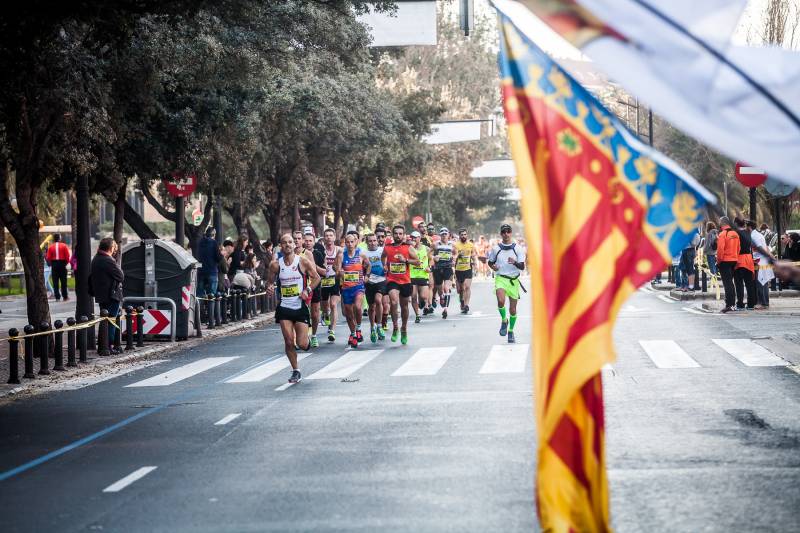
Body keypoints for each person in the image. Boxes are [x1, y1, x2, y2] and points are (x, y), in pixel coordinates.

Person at [266, 234, 320, 384]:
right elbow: (269, 282)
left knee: (302, 344)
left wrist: (308, 290)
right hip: (284, 307)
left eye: (291, 242)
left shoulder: (302, 261)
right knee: (289, 342)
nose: (288, 244)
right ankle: (296, 370)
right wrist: (269, 288)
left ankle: (307, 341)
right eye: (285, 243)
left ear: (294, 244)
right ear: (280, 246)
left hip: (300, 306)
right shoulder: (276, 265)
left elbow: (316, 278)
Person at [381, 224, 420, 344]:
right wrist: (385, 266)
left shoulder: (408, 247)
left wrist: (406, 260)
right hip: (392, 280)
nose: (398, 236)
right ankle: (395, 327)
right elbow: (383, 257)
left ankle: (404, 329)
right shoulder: (387, 247)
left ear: (403, 235)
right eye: (396, 233)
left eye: (400, 234)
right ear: (392, 235)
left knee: (404, 306)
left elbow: (418, 262)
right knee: (393, 302)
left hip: (405, 281)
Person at [488, 224, 526, 343]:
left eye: (508, 231)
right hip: (501, 278)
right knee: (500, 301)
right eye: (504, 232)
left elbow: (522, 266)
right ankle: (504, 320)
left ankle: (510, 331)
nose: (506, 234)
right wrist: (493, 267)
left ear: (511, 233)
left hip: (513, 280)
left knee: (513, 309)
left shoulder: (518, 248)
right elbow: (490, 262)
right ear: (501, 234)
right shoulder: (496, 248)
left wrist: (514, 262)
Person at [89, 238, 124, 354]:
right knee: (111, 321)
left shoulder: (96, 258)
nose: (114, 250)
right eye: (114, 248)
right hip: (111, 295)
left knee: (104, 321)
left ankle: (103, 346)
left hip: (101, 295)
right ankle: (109, 346)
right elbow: (120, 276)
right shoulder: (108, 260)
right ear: (111, 248)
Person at [336, 231, 370, 348]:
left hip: (358, 286)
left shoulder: (361, 255)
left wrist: (367, 276)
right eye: (347, 242)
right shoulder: (341, 255)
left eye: (352, 242)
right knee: (348, 314)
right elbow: (337, 270)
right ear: (345, 243)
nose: (350, 244)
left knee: (358, 306)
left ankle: (359, 328)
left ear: (356, 242)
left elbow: (368, 265)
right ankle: (353, 334)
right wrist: (340, 273)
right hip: (346, 288)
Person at [304, 232, 327, 348]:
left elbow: (324, 271)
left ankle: (314, 335)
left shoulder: (318, 254)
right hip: (303, 287)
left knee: (315, 313)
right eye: (306, 241)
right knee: (304, 312)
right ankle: (305, 335)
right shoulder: (299, 254)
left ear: (314, 242)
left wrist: (312, 266)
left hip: (315, 285)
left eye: (310, 241)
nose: (308, 243)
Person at [363, 232, 387, 342]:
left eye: (374, 240)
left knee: (378, 300)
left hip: (381, 279)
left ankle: (379, 326)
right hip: (369, 281)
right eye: (370, 241)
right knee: (371, 306)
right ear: (367, 242)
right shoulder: (364, 253)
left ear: (377, 241)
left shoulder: (382, 250)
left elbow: (388, 262)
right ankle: (372, 327)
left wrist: (387, 268)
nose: (372, 243)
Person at [320, 228, 342, 343]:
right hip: (323, 281)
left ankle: (332, 330)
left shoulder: (339, 250)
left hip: (335, 280)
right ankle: (325, 313)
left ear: (334, 237)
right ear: (324, 238)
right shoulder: (320, 250)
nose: (328, 237)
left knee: (333, 304)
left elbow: (343, 263)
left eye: (330, 235)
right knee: (325, 306)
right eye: (326, 235)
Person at [747, 220, 776, 310]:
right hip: (763, 261)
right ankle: (765, 302)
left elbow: (759, 247)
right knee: (764, 283)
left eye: (746, 227)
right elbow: (765, 247)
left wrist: (768, 256)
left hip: (760, 261)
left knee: (760, 283)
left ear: (749, 227)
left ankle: (762, 303)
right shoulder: (759, 235)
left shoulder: (753, 236)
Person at [716, 217, 740, 313]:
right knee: (731, 283)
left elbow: (720, 250)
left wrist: (719, 261)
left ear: (722, 223)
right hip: (734, 260)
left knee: (727, 284)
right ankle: (732, 304)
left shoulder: (722, 234)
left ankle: (729, 304)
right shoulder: (735, 234)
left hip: (725, 261)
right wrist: (735, 258)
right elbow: (739, 248)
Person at [432, 227, 455, 319]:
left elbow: (456, 253)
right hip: (438, 269)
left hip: (448, 268)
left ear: (448, 235)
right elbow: (429, 254)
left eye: (446, 234)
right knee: (440, 290)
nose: (444, 235)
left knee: (446, 288)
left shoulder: (452, 244)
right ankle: (441, 296)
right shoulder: (435, 245)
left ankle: (445, 309)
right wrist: (434, 257)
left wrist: (454, 258)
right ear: (440, 235)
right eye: (442, 234)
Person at [409, 230, 432, 322]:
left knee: (423, 297)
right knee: (414, 296)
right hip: (412, 275)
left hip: (423, 275)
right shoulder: (409, 248)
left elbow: (431, 259)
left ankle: (422, 303)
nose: (414, 239)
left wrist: (429, 267)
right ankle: (417, 315)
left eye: (415, 237)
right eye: (412, 237)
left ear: (419, 238)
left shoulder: (426, 248)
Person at [733, 217, 755, 310]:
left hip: (739, 259)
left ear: (736, 224)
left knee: (739, 284)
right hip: (749, 259)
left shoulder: (736, 233)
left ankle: (740, 304)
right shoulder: (748, 233)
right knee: (749, 283)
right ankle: (751, 304)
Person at [454, 228, 477, 313]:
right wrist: (458, 255)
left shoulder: (471, 245)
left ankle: (466, 305)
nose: (463, 236)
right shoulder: (456, 245)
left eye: (465, 234)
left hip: (468, 268)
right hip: (458, 269)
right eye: (462, 235)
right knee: (460, 290)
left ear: (467, 235)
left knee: (467, 287)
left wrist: (475, 263)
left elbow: (473, 255)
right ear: (459, 236)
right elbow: (454, 256)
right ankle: (462, 301)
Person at [46, 234, 71, 301]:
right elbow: (67, 256)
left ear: (54, 239)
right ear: (59, 238)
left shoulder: (51, 247)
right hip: (62, 264)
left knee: (55, 281)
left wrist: (51, 264)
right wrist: (66, 263)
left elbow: (48, 257)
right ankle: (65, 297)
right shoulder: (64, 246)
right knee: (63, 281)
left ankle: (57, 297)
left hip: (54, 264)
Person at [198, 227, 222, 297]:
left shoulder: (200, 242)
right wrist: (222, 256)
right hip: (212, 271)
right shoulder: (214, 242)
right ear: (213, 234)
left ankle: (200, 307)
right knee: (212, 295)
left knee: (200, 294)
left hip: (201, 271)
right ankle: (210, 308)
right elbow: (218, 257)